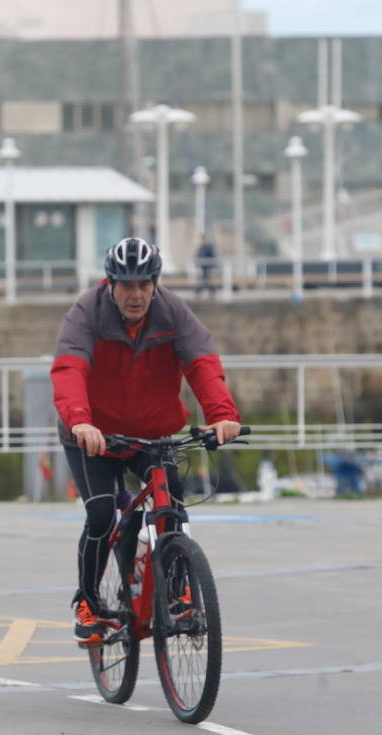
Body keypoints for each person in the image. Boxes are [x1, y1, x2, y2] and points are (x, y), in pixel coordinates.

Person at [51, 237, 242, 645]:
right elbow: (69, 369)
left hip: (150, 434)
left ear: (156, 283)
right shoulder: (87, 312)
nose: (135, 295)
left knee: (169, 500)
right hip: (93, 435)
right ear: (110, 283)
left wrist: (222, 415)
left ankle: (177, 592)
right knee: (102, 515)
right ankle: (87, 604)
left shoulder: (172, 312)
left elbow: (203, 362)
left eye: (144, 285)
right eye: (126, 285)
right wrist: (81, 422)